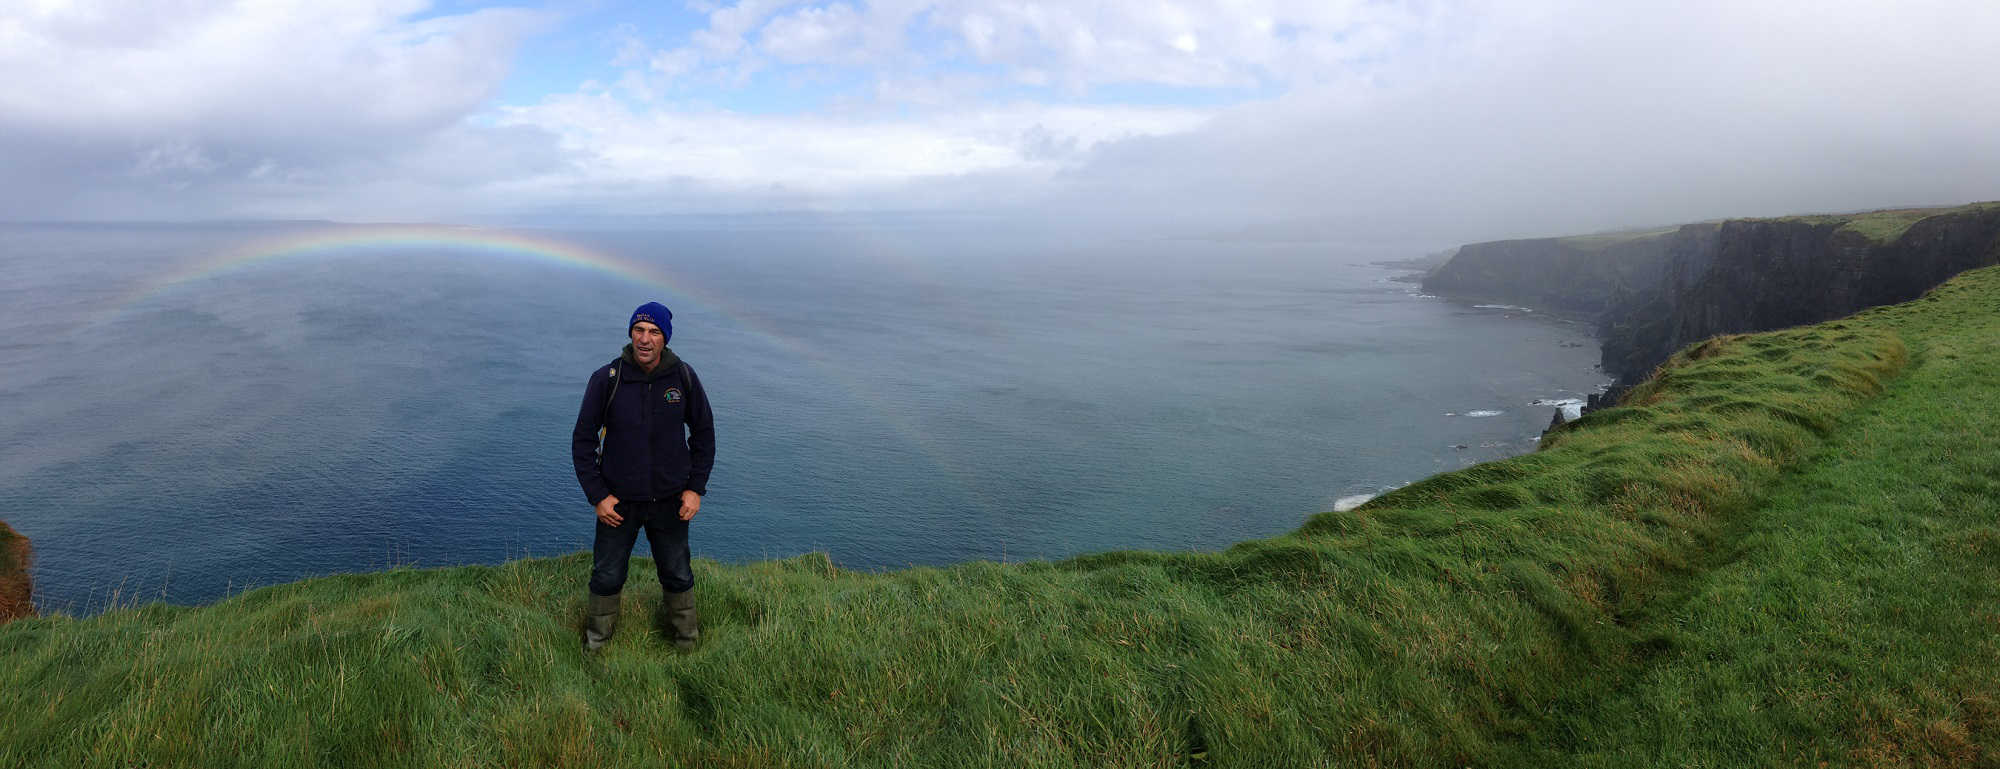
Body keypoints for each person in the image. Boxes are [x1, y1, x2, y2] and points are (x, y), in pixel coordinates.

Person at [571, 301, 715, 652]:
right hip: (617, 503)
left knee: (678, 572)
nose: (645, 339)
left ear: (665, 338)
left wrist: (695, 489)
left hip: (670, 501)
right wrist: (598, 496)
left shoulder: (683, 377)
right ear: (630, 333)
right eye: (639, 330)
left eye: (654, 332)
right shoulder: (608, 379)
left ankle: (687, 645)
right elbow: (583, 440)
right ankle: (596, 647)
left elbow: (704, 434)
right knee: (606, 575)